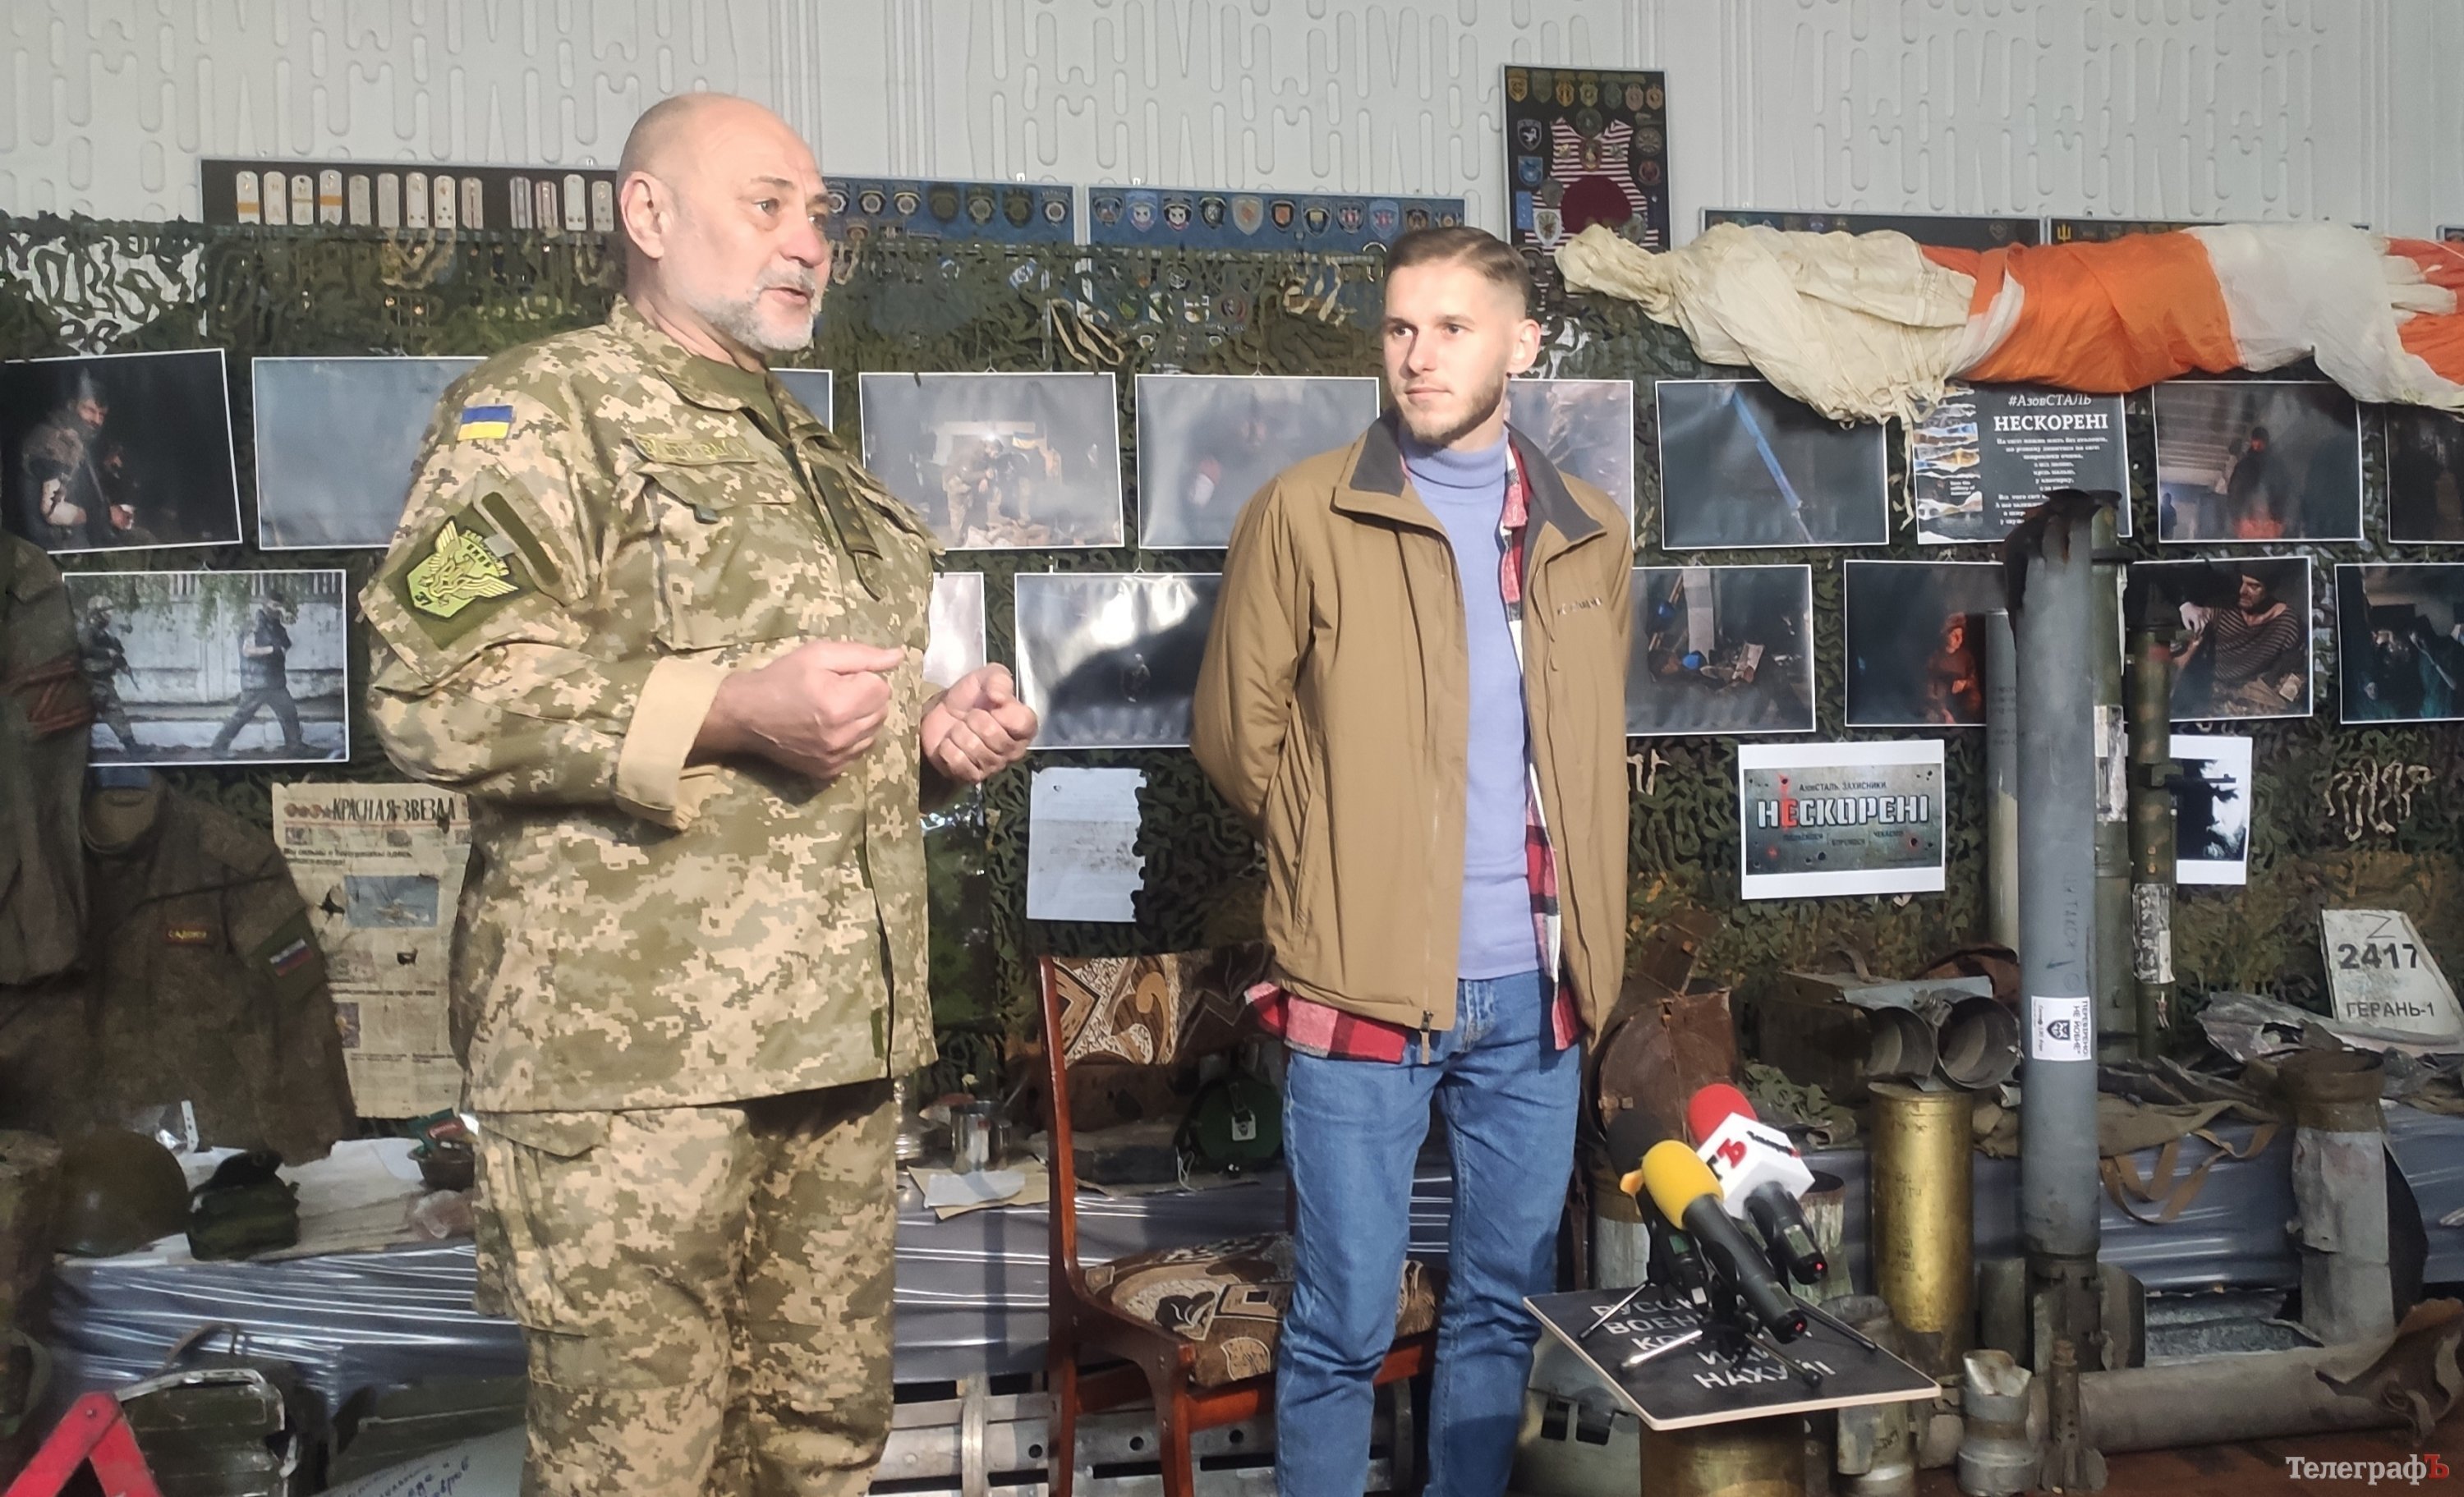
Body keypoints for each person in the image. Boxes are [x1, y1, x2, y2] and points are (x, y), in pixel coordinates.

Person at [362, 93, 1037, 1497]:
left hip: (828, 1049)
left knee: (818, 1444)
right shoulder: (541, 413)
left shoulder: (811, 455)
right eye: (767, 204)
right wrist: (729, 707)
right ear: (648, 214)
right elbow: (431, 688)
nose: (808, 242)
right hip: (633, 1077)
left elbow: (808, 719)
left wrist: (925, 734)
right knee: (641, 1466)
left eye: (819, 215)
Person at [1193, 225, 1632, 1497]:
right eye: (1399, 328)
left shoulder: (1589, 531)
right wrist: (1339, 850)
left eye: (1451, 328)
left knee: (1502, 1305)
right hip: (1360, 975)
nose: (1418, 355)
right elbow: (1234, 734)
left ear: (1522, 344)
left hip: (1536, 988)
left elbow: (1581, 746)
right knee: (1342, 1315)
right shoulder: (1303, 511)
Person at [17, 373, 139, 551]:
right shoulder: (56, 442)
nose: (97, 420)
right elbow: (53, 510)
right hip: (53, 549)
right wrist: (107, 515)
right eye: (90, 410)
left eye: (102, 415)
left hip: (68, 545)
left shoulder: (74, 441)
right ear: (71, 405)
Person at [2177, 569, 2304, 716]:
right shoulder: (2222, 607)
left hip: (2252, 692)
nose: (2242, 591)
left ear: (2270, 589)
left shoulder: (2288, 623)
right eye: (2241, 583)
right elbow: (2178, 639)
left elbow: (2296, 670)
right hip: (2210, 686)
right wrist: (2180, 628)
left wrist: (2286, 701)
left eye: (2253, 586)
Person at [209, 595, 313, 757]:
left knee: (289, 713)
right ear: (265, 605)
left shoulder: (277, 627)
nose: (277, 609)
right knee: (242, 716)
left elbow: (285, 646)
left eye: (279, 605)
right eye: (274, 605)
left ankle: (295, 746)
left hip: (275, 682)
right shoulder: (253, 625)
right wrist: (273, 649)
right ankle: (218, 747)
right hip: (256, 682)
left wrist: (281, 644)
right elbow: (247, 651)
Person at [77, 599, 140, 753]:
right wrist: (107, 653)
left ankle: (131, 746)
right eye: (105, 613)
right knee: (113, 711)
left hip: (102, 680)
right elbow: (86, 648)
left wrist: (123, 665)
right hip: (93, 680)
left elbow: (117, 654)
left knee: (114, 713)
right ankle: (131, 746)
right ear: (96, 614)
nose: (108, 617)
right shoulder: (88, 632)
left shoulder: (105, 635)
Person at [1923, 613, 1983, 723]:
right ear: (1945, 636)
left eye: (1961, 635)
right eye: (1954, 635)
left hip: (1962, 706)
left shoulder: (1966, 657)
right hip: (1940, 706)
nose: (1959, 639)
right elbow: (1928, 688)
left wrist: (1964, 684)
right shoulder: (1935, 659)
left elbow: (1974, 680)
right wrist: (1943, 711)